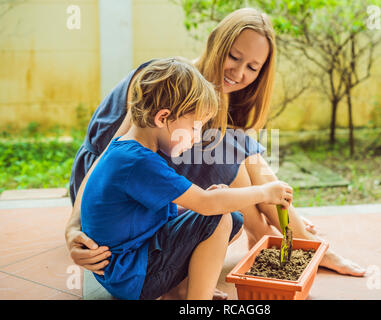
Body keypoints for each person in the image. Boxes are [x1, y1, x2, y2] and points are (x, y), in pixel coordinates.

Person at [65, 8, 365, 281]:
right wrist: (72, 228)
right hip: (101, 191)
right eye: (234, 57)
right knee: (224, 151)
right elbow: (107, 156)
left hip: (149, 195)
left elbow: (247, 162)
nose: (239, 73)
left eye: (253, 67)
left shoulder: (221, 99)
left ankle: (285, 239)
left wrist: (266, 204)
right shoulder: (166, 80)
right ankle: (278, 238)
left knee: (234, 149)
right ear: (215, 43)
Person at [80, 57, 294, 300]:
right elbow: (207, 204)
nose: (196, 137)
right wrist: (266, 192)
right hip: (133, 276)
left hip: (129, 266)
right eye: (194, 128)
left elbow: (174, 208)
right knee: (219, 217)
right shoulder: (139, 162)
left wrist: (213, 200)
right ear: (162, 118)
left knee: (231, 218)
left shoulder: (131, 150)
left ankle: (180, 290)